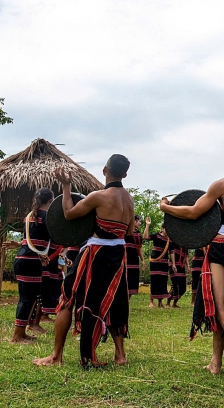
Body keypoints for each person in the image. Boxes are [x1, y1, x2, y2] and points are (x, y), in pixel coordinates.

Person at [161, 140, 224, 383]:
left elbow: (194, 212)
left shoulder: (223, 184)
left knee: (221, 307)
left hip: (223, 248)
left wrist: (167, 208)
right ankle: (215, 362)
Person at [34, 155, 134, 367]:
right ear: (125, 174)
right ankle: (120, 355)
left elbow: (69, 213)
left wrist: (66, 185)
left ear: (105, 169)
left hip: (96, 254)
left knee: (67, 299)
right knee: (116, 303)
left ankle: (56, 357)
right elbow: (130, 231)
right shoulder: (129, 199)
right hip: (118, 256)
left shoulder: (98, 196)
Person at [11, 188, 54, 344]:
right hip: (31, 261)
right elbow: (56, 235)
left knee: (28, 297)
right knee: (28, 298)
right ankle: (17, 336)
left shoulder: (29, 216)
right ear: (50, 201)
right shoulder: (47, 217)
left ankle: (22, 333)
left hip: (24, 258)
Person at [146, 218, 171, 308]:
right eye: (166, 229)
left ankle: (160, 302)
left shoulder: (169, 240)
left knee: (162, 282)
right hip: (155, 262)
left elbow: (171, 252)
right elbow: (146, 237)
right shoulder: (156, 236)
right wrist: (147, 225)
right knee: (154, 281)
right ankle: (151, 301)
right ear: (162, 228)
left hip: (164, 263)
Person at [125, 215, 145, 298]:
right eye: (139, 221)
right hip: (126, 259)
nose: (140, 223)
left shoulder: (138, 234)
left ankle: (127, 303)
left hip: (134, 260)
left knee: (132, 281)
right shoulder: (125, 232)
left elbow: (139, 248)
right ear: (134, 221)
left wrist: (143, 260)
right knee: (125, 279)